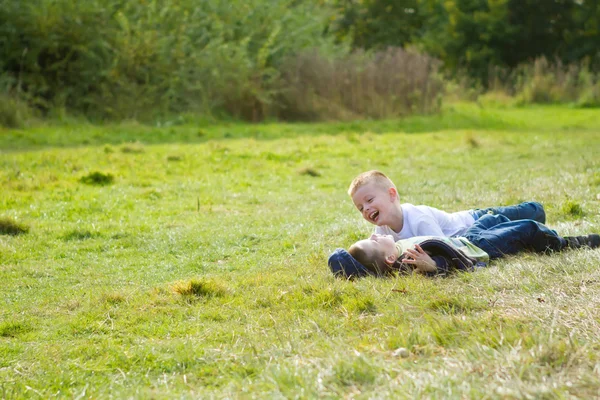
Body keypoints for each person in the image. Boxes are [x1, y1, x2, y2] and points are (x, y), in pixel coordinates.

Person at [328, 213, 600, 278]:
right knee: (527, 226)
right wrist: (434, 266)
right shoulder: (409, 259)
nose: (375, 235)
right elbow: (445, 264)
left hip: (466, 237)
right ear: (389, 260)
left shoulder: (396, 249)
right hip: (478, 247)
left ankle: (517, 238)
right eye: (374, 241)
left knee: (492, 218)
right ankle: (562, 244)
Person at [349, 170, 547, 241]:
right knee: (515, 231)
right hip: (477, 233)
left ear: (392, 195)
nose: (365, 209)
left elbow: (446, 246)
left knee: (530, 213)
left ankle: (536, 209)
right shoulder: (381, 228)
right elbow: (372, 250)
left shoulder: (418, 219)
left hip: (476, 220)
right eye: (360, 208)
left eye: (369, 200)